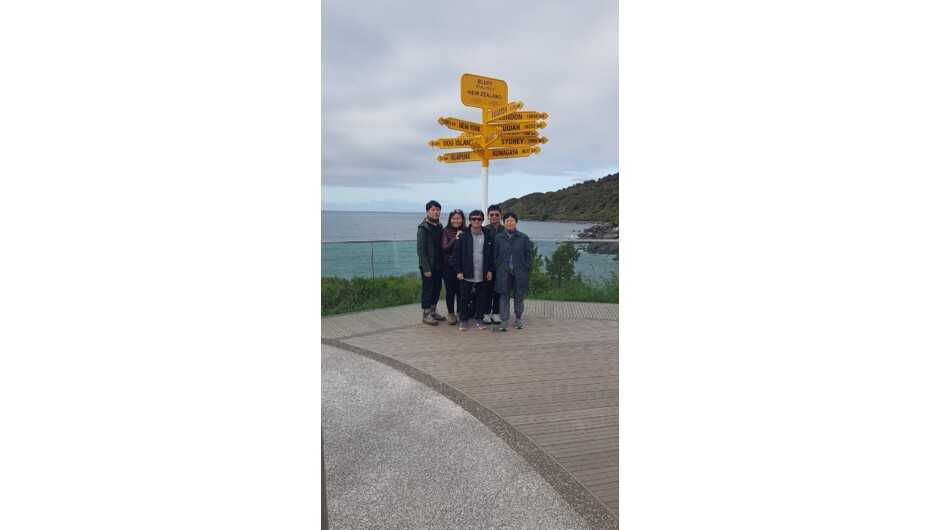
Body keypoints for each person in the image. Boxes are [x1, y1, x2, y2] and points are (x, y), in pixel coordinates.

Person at [452, 210, 494, 331]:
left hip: (482, 272)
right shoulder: (463, 236)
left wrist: (490, 270)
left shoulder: (488, 235)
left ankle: (479, 319)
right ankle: (463, 320)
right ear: (470, 220)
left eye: (479, 219)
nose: (476, 221)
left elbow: (491, 255)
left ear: (482, 220)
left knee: (482, 297)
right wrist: (458, 271)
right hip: (466, 272)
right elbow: (456, 255)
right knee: (464, 298)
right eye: (473, 218)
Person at [490, 212, 531, 332]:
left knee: (519, 297)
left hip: (519, 272)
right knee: (504, 297)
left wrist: (527, 267)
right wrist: (497, 267)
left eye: (512, 220)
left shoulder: (523, 237)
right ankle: (504, 321)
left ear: (516, 222)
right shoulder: (499, 238)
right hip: (503, 272)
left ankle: (518, 318)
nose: (509, 222)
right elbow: (495, 255)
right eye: (507, 220)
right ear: (504, 223)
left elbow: (528, 254)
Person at [416, 200, 446, 325]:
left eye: (438, 210)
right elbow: (420, 250)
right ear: (427, 211)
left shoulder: (439, 226)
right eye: (433, 210)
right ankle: (426, 314)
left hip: (439, 264)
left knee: (437, 289)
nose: (436, 212)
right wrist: (426, 268)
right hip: (428, 265)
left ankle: (433, 311)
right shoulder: (423, 228)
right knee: (428, 289)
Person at [440, 209, 466, 325]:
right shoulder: (446, 231)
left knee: (461, 291)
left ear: (462, 219)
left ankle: (460, 312)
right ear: (450, 219)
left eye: (458, 218)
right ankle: (451, 313)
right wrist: (456, 238)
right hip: (448, 266)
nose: (456, 220)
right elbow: (445, 248)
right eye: (453, 218)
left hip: (462, 267)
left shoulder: (467, 231)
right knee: (450, 291)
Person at [481, 204, 505, 325]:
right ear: (488, 216)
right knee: (487, 290)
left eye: (496, 215)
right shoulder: (484, 230)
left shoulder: (505, 230)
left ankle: (496, 313)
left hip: (502, 266)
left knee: (499, 291)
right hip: (488, 266)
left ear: (500, 215)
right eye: (492, 215)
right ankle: (485, 313)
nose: (494, 217)